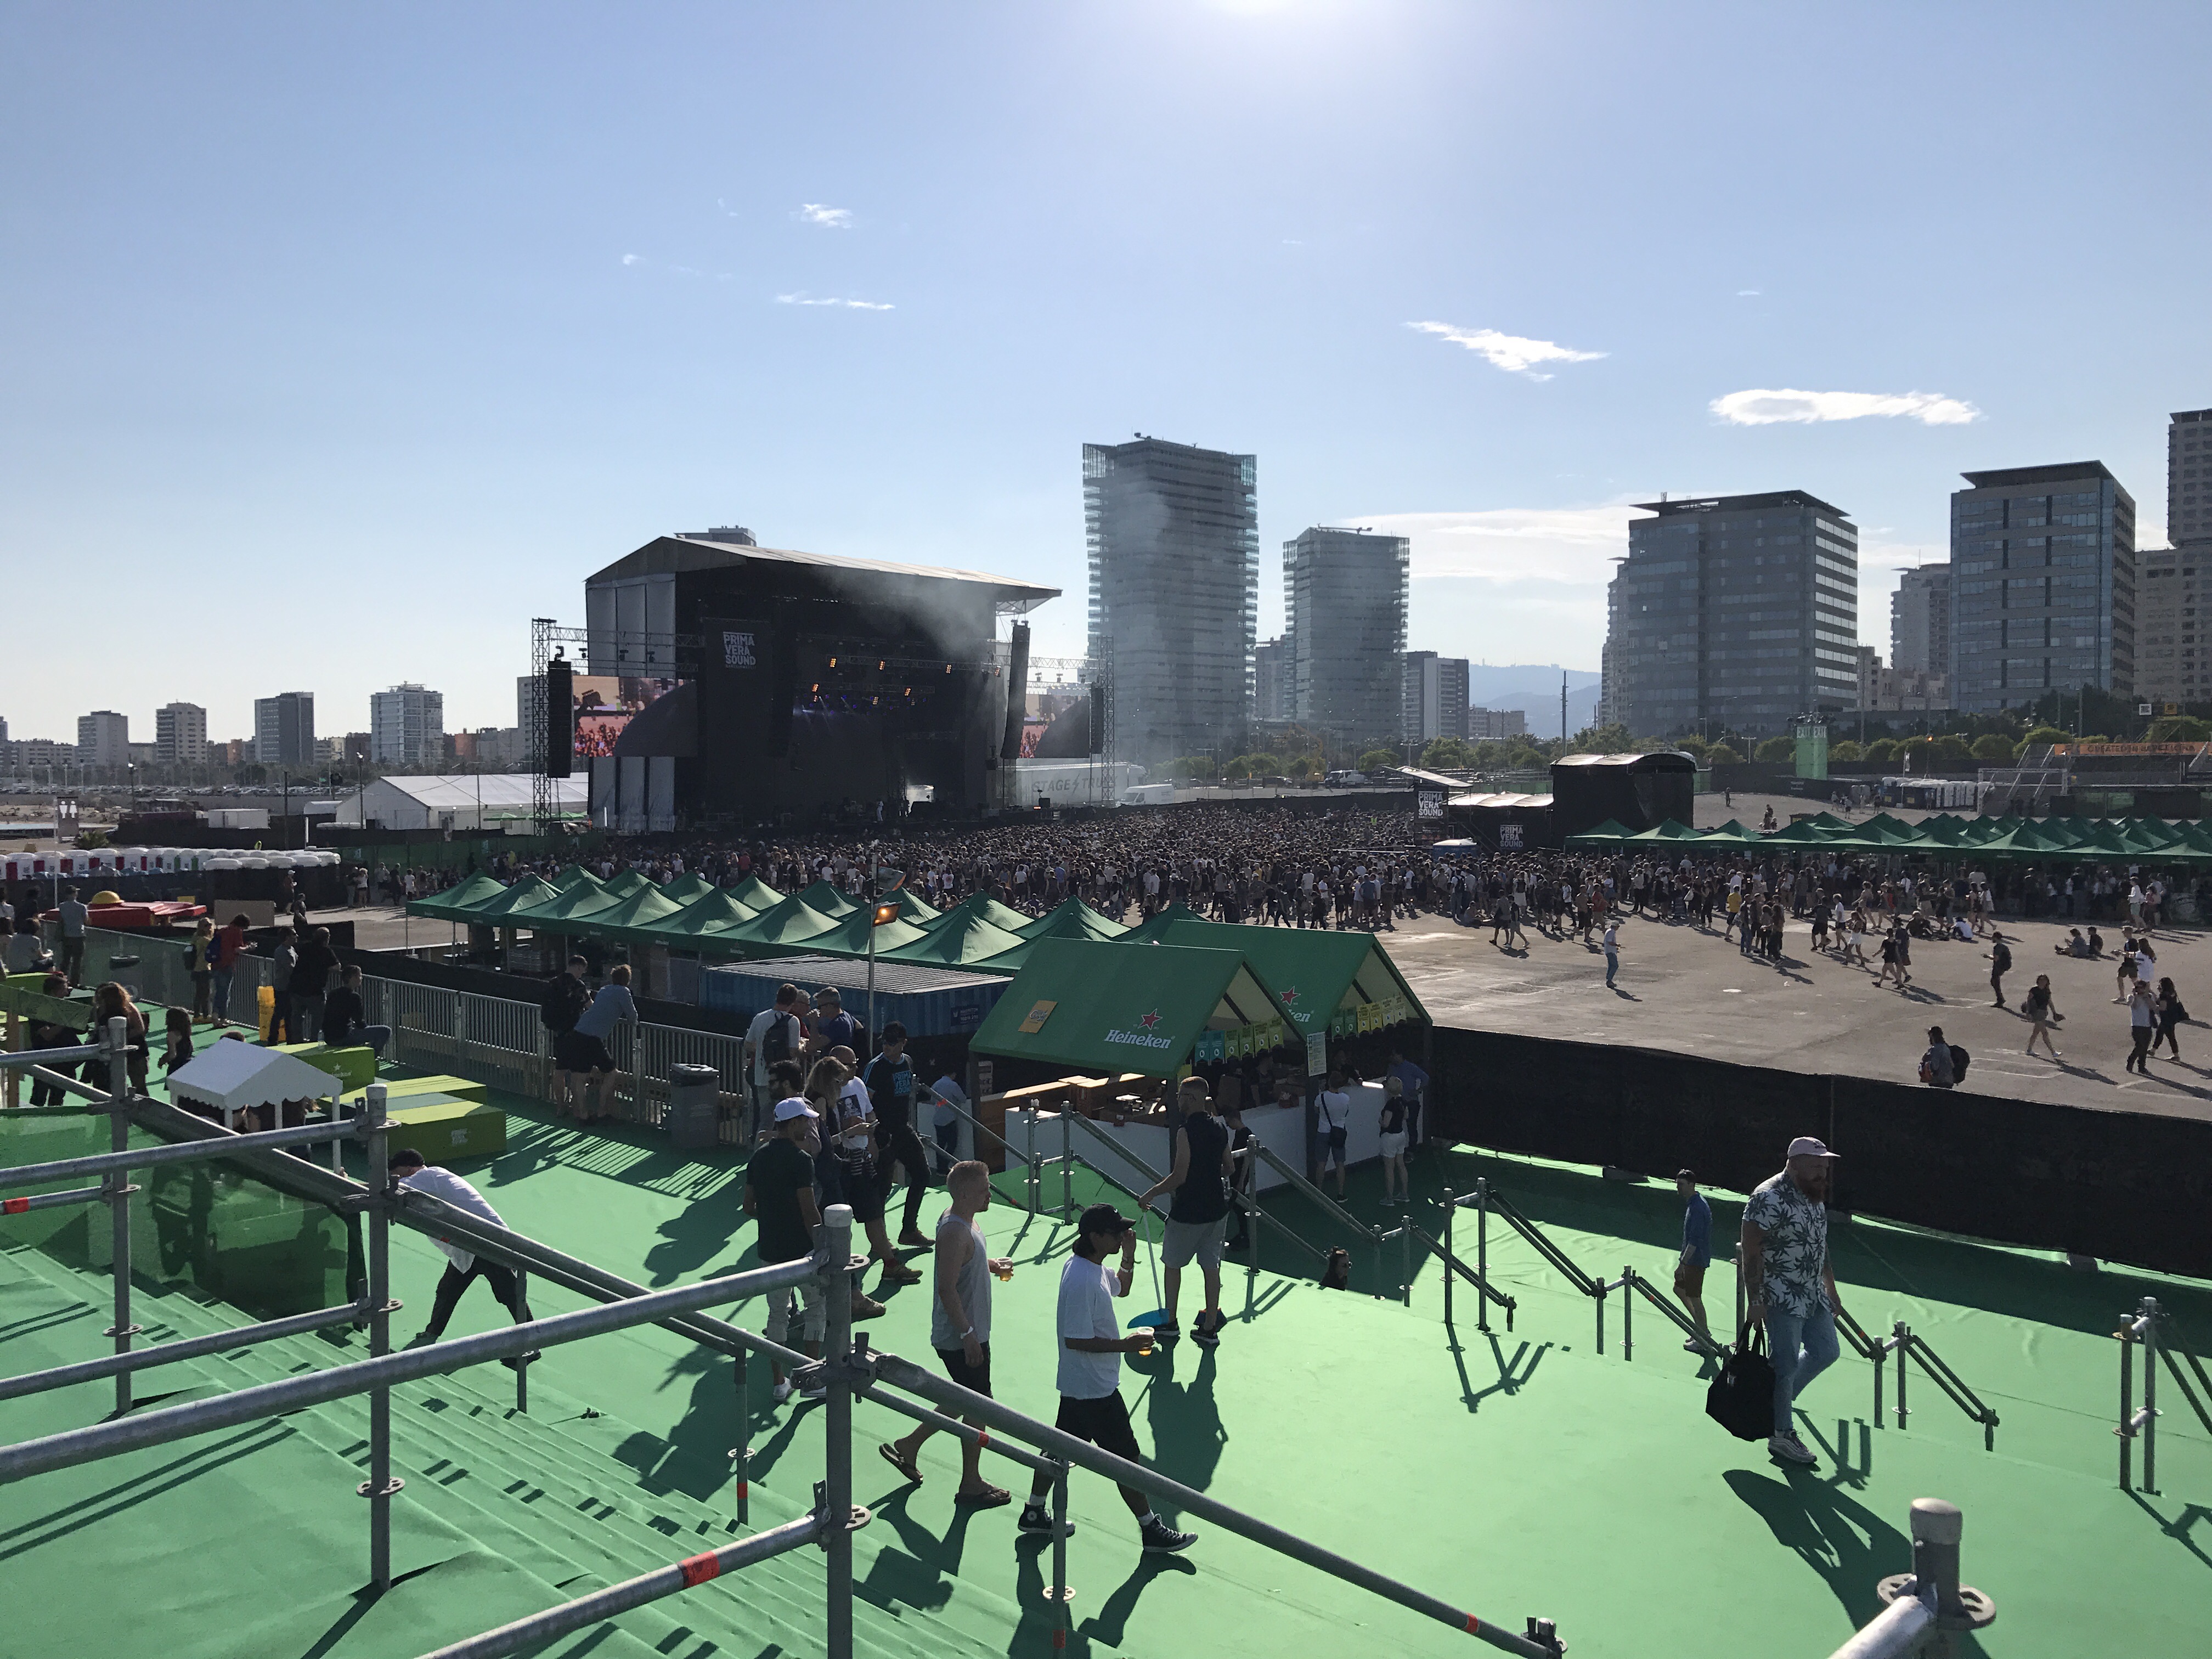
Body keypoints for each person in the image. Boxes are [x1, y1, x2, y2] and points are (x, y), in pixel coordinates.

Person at [1015, 1203, 1197, 1556]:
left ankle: (1034, 1511)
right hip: (1094, 1390)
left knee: (1057, 1452)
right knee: (1126, 1461)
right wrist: (1126, 1345)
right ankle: (1151, 1530)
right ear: (1095, 1237)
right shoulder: (1082, 1279)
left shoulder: (1091, 1267)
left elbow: (1121, 1288)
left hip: (1082, 1384)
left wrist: (1128, 1255)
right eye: (1116, 1233)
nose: (1121, 1236)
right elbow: (1075, 1339)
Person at [876, 1159, 1013, 1505]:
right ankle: (971, 1483)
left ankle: (910, 1446)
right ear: (965, 1194)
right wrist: (968, 1335)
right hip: (961, 1336)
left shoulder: (964, 1220)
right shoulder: (955, 1232)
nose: (989, 1195)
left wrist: (989, 1264)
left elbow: (964, 1262)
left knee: (962, 1398)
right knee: (978, 1406)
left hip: (969, 1332)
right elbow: (947, 1289)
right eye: (984, 1190)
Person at [1741, 1137, 1844, 1468]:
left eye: (1825, 1165)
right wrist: (1755, 1299)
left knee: (1827, 1351)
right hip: (1780, 1296)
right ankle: (1782, 1434)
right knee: (1784, 1365)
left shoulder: (1814, 1195)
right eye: (1816, 1165)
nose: (1823, 1172)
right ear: (1795, 1164)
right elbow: (1751, 1251)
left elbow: (1820, 1243)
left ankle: (1777, 1401)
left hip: (1812, 1293)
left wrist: (1831, 1288)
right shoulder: (1766, 1197)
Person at [394, 1150, 538, 1367]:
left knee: (509, 1295)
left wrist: (353, 1185)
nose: (396, 1178)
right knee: (448, 1289)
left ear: (409, 1169)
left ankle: (533, 1345)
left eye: (397, 1174)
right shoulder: (434, 1177)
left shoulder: (427, 1176)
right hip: (467, 1245)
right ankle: (432, 1332)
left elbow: (394, 1191)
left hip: (484, 1242)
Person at [744, 1078, 827, 1402]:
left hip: (770, 1249)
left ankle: (780, 1383)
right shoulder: (801, 1160)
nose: (810, 1126)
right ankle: (811, 1379)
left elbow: (748, 1206)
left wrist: (772, 1217)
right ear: (792, 1124)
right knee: (816, 1308)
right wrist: (822, 1245)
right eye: (806, 1121)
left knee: (777, 1314)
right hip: (802, 1252)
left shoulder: (759, 1158)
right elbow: (809, 1210)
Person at [1139, 1077, 1234, 1346]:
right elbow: (1229, 1167)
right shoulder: (1219, 1127)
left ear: (1191, 1099)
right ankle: (1210, 1327)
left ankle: (1170, 1322)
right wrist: (1209, 1174)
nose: (1178, 1100)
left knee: (1173, 1265)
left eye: (1181, 1095)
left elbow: (1179, 1176)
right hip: (1217, 1209)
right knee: (1211, 1266)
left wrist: (1150, 1194)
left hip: (1189, 1211)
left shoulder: (1185, 1132)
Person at [861, 1022, 933, 1248]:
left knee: (922, 1174)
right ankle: (880, 1242)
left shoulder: (908, 1061)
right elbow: (865, 1102)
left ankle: (909, 1230)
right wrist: (872, 1135)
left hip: (903, 1128)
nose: (887, 1046)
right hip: (883, 1132)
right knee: (883, 1187)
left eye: (892, 1042)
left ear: (903, 1043)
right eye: (884, 1041)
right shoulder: (876, 1067)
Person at [568, 963, 637, 1122]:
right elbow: (632, 1016)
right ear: (627, 980)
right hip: (593, 1038)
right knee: (612, 1072)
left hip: (579, 1032)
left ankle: (583, 1115)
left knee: (580, 1077)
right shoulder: (624, 992)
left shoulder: (605, 990)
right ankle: (601, 1110)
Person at [743, 983, 806, 1141]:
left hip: (762, 1076)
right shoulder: (793, 1021)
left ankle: (759, 1150)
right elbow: (793, 1051)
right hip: (785, 1079)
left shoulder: (760, 1017)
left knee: (765, 1120)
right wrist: (803, 1044)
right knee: (788, 1118)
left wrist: (763, 1049)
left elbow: (748, 1044)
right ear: (793, 1002)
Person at [540, 956, 593, 1117]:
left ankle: (560, 1106)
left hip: (558, 1033)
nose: (582, 974)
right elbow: (590, 1006)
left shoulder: (553, 983)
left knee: (560, 1070)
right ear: (578, 967)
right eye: (582, 971)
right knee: (578, 1072)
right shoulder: (578, 985)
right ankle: (577, 1106)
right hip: (576, 1032)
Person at [1674, 1170, 1712, 1351]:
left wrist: (1682, 1265)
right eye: (1677, 1184)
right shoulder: (1694, 1204)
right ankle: (1700, 1329)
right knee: (1679, 1289)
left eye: (1681, 1185)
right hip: (1692, 1260)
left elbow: (1694, 1242)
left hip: (1695, 1261)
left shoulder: (1698, 1208)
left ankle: (1703, 1337)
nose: (1678, 1188)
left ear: (1691, 1185)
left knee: (1695, 1298)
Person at [288, 925, 337, 1042]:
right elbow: (337, 966)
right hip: (315, 992)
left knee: (297, 1018)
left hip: (297, 988)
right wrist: (326, 968)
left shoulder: (305, 947)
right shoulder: (326, 951)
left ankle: (296, 1041)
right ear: (327, 938)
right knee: (318, 1019)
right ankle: (314, 1041)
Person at [1314, 1068, 1353, 1199]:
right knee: (1340, 1163)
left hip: (1323, 1131)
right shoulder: (1345, 1098)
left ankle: (1319, 1191)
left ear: (1329, 1082)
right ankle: (1341, 1193)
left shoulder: (1321, 1097)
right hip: (1339, 1132)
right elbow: (1346, 1113)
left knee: (1321, 1163)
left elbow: (1317, 1110)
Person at [1384, 1044, 1428, 1153]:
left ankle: (1412, 1150)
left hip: (1411, 1101)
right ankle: (1399, 1150)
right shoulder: (1392, 1068)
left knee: (1411, 1126)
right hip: (1398, 1102)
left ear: (1400, 1055)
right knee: (1397, 1125)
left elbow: (1426, 1078)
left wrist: (1418, 1090)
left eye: (1394, 1055)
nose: (1392, 1057)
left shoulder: (1411, 1067)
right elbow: (1388, 1079)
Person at [928, 1066, 968, 1177]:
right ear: (953, 1074)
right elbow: (963, 1099)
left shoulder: (936, 1084)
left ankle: (940, 1168)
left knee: (940, 1145)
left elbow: (933, 1100)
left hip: (938, 1118)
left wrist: (942, 1103)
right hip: (950, 1118)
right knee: (952, 1143)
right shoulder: (953, 1085)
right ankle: (944, 1166)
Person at [1376, 1077, 1410, 1207]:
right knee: (1401, 1164)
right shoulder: (1403, 1101)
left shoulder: (1390, 1104)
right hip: (1400, 1135)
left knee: (1389, 1168)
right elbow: (1406, 1116)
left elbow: (1386, 1123)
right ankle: (1404, 1194)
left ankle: (1389, 1198)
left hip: (1389, 1137)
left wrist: (1380, 1120)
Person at [211, 913, 247, 1028]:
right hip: (227, 965)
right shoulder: (236, 932)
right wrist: (249, 948)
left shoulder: (222, 931)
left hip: (216, 964)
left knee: (219, 991)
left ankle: (218, 1017)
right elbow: (237, 949)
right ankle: (221, 1018)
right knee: (224, 993)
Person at [323, 963, 368, 1049]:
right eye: (359, 976)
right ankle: (373, 1055)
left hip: (329, 1038)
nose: (361, 978)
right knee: (385, 1030)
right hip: (344, 1036)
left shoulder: (333, 993)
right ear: (352, 978)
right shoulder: (354, 997)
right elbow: (359, 1022)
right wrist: (367, 1028)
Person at [2024, 974, 2062, 1062]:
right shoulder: (2034, 990)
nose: (2042, 982)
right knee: (2045, 1033)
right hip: (2036, 1013)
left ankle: (2029, 1050)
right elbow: (2029, 1002)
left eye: (2044, 980)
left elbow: (2050, 1002)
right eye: (2041, 980)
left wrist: (2054, 1012)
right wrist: (2028, 1013)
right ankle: (2053, 1052)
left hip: (2043, 1013)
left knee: (2036, 1032)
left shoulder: (2047, 991)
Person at [2125, 977, 2157, 1074]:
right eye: (2137, 988)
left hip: (2147, 1025)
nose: (2139, 990)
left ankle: (2142, 1067)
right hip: (2136, 1025)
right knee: (2140, 1045)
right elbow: (2134, 1006)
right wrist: (2135, 996)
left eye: (2141, 988)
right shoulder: (2131, 997)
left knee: (2145, 1047)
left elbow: (2153, 1007)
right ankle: (2131, 1060)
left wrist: (2146, 997)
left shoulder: (2149, 996)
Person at [55, 887, 87, 983]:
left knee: (66, 960)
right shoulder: (82, 907)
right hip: (79, 935)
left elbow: (61, 919)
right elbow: (86, 920)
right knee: (77, 961)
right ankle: (75, 982)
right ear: (75, 894)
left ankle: (62, 980)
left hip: (66, 935)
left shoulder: (62, 906)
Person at [189, 917, 216, 1024]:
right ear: (201, 927)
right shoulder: (204, 940)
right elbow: (215, 946)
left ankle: (197, 1015)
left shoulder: (195, 936)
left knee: (199, 993)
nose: (209, 927)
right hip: (203, 968)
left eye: (210, 924)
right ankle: (205, 1016)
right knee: (205, 993)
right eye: (206, 925)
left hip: (196, 968)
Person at [2155, 976, 2186, 1063]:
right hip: (2173, 1017)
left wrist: (2154, 1007)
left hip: (2166, 1018)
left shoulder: (2164, 995)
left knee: (2168, 1036)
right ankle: (2153, 1050)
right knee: (2162, 1034)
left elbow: (2163, 1007)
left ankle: (2176, 1055)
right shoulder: (2173, 993)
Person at [1918, 1024, 1955, 1089]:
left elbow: (1935, 1067)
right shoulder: (1945, 1047)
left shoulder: (1936, 1049)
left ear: (1932, 1036)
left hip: (1939, 1082)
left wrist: (1925, 1062)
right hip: (1948, 1081)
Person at [1987, 931, 2011, 1009]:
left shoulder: (1997, 947)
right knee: (1994, 982)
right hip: (2004, 966)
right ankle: (2000, 999)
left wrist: (1988, 956)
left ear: (1996, 938)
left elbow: (1996, 959)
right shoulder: (2004, 946)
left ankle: (2000, 1000)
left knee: (1995, 982)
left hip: (1999, 966)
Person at [1601, 917, 1621, 989]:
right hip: (1610, 951)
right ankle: (1609, 980)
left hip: (1610, 951)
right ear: (1615, 926)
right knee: (1615, 966)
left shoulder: (1611, 931)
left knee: (1611, 965)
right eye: (1618, 926)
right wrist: (1617, 945)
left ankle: (1609, 979)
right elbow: (1610, 942)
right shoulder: (1611, 932)